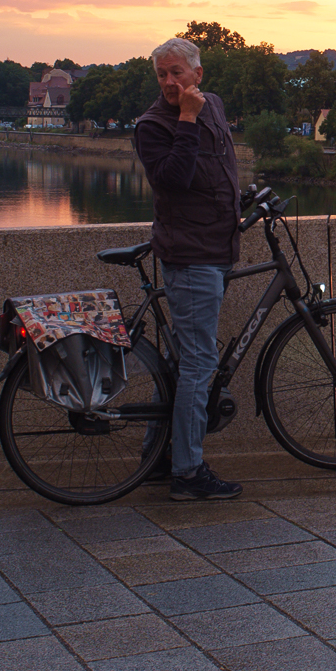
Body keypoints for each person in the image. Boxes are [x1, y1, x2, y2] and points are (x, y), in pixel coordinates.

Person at [134, 37, 244, 500]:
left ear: (199, 74)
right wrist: (187, 118)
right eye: (163, 75)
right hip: (190, 255)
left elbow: (222, 167)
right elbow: (173, 180)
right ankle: (188, 473)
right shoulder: (153, 125)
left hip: (216, 246)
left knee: (182, 365)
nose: (170, 82)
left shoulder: (213, 105)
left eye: (177, 72)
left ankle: (158, 457)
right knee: (199, 364)